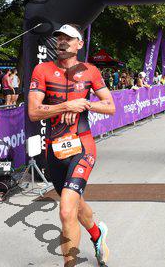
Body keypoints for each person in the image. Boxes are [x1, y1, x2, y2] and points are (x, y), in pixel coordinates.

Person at [28, 24, 114, 267]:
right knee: (75, 205)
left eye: (69, 38)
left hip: (82, 147)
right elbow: (33, 112)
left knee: (66, 210)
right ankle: (97, 234)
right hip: (54, 151)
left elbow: (110, 106)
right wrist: (66, 106)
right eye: (59, 38)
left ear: (79, 44)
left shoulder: (90, 71)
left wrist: (84, 104)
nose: (62, 42)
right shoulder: (42, 70)